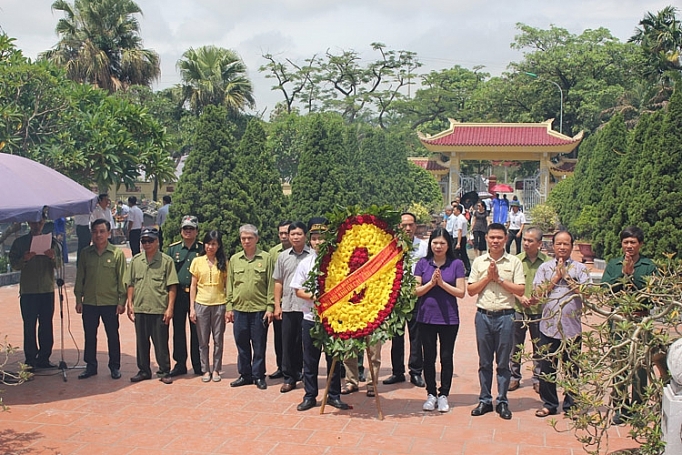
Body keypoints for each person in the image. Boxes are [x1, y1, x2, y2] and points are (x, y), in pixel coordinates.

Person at [467, 223, 525, 420]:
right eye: (492, 237)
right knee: (484, 362)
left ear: (506, 239)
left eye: (499, 237)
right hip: (483, 315)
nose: (495, 241)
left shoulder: (514, 262)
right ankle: (484, 400)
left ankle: (502, 400)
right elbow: (471, 290)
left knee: (503, 362)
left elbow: (520, 290)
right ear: (486, 238)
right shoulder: (479, 261)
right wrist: (488, 278)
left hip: (506, 316)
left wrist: (498, 279)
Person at [291, 217, 350, 411]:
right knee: (310, 359)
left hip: (333, 318)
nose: (318, 242)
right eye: (314, 238)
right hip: (311, 318)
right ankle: (310, 395)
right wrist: (317, 297)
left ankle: (333, 395)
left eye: (321, 238)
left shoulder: (338, 262)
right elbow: (297, 290)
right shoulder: (305, 263)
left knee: (334, 358)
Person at [601, 226, 658, 425]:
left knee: (641, 364)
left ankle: (637, 408)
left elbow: (654, 295)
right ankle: (621, 406)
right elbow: (606, 290)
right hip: (620, 320)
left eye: (633, 242)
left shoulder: (648, 266)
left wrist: (633, 277)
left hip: (640, 321)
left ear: (640, 244)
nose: (629, 246)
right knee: (620, 363)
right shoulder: (613, 264)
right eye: (626, 242)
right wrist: (623, 276)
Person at [533, 230, 591, 418]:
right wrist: (556, 278)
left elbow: (587, 294)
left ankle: (571, 405)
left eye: (566, 244)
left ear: (572, 246)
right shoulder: (545, 268)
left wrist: (566, 277)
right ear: (553, 246)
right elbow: (538, 295)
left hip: (572, 329)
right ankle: (549, 403)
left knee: (572, 368)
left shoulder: (580, 269)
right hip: (548, 327)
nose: (562, 247)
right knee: (547, 367)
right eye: (559, 244)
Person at [414, 228, 467, 412]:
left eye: (442, 243)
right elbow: (416, 290)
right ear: (430, 244)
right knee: (428, 357)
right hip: (426, 317)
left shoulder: (456, 264)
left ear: (448, 245)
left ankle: (444, 394)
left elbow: (461, 292)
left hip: (449, 318)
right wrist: (431, 284)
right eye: (435, 243)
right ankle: (430, 394)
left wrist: (442, 284)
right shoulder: (423, 263)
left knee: (446, 356)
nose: (438, 246)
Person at [73, 218, 127, 380]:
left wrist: (121, 301)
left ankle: (114, 366)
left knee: (112, 335)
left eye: (102, 231)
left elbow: (122, 279)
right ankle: (91, 366)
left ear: (109, 233)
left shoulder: (117, 254)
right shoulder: (85, 253)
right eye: (95, 231)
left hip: (110, 302)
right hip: (89, 301)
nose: (98, 235)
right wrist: (78, 299)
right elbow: (80, 277)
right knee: (90, 335)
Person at [126, 228, 178, 384]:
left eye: (150, 240)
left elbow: (172, 286)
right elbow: (131, 283)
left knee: (161, 343)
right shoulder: (136, 261)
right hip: (141, 307)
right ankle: (143, 370)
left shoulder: (166, 261)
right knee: (141, 342)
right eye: (144, 241)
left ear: (157, 241)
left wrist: (170, 308)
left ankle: (164, 371)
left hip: (158, 307)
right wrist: (130, 303)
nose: (146, 244)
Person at [9, 216, 60, 370]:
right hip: (29, 290)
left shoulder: (52, 242)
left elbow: (59, 264)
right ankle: (30, 359)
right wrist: (24, 259)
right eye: (33, 222)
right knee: (29, 325)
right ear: (28, 223)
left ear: (43, 223)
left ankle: (44, 358)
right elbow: (14, 265)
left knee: (46, 324)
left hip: (46, 289)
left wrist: (53, 257)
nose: (36, 225)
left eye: (39, 222)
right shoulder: (20, 243)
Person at [226, 224, 274, 390]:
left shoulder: (266, 258)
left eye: (250, 238)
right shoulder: (234, 259)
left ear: (257, 239)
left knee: (259, 345)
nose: (246, 241)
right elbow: (230, 285)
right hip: (239, 309)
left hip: (259, 309)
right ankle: (245, 375)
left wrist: (270, 307)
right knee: (242, 344)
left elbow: (271, 285)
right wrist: (229, 307)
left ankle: (259, 376)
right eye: (243, 238)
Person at [384, 212, 426, 388]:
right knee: (396, 336)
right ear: (399, 227)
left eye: (411, 225)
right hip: (397, 297)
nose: (408, 228)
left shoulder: (424, 247)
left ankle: (416, 372)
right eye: (404, 225)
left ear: (415, 226)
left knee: (417, 336)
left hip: (416, 296)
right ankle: (397, 372)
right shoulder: (391, 247)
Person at [509, 227, 550, 393]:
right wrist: (520, 297)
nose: (525, 243)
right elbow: (509, 285)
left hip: (540, 310)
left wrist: (539, 297)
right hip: (518, 309)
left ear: (539, 243)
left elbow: (551, 285)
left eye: (530, 241)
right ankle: (514, 377)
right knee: (515, 346)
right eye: (524, 239)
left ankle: (538, 378)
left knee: (539, 346)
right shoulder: (516, 260)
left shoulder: (548, 263)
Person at [273, 221, 312, 393]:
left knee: (305, 343)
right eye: (292, 234)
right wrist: (277, 305)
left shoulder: (312, 255)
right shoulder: (283, 256)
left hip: (307, 307)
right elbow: (278, 282)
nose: (295, 237)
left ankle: (304, 374)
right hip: (288, 305)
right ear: (288, 236)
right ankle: (289, 378)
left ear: (305, 235)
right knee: (288, 343)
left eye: (299, 234)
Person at [189, 230, 228, 383]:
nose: (210, 247)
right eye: (208, 243)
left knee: (218, 339)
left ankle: (217, 368)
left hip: (219, 304)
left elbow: (227, 285)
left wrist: (228, 306)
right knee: (203, 340)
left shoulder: (224, 262)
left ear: (218, 246)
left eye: (214, 244)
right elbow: (193, 286)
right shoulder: (197, 261)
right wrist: (192, 308)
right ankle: (205, 370)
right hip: (201, 304)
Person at [166, 215, 203, 376]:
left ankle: (198, 364)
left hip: (197, 294)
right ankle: (180, 363)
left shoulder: (202, 249)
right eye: (185, 228)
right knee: (178, 329)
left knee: (197, 330)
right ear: (181, 231)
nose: (188, 231)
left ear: (197, 231)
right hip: (179, 293)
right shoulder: (173, 249)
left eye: (191, 229)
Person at [267, 220, 292, 379]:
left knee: (295, 338)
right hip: (279, 302)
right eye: (281, 233)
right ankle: (281, 367)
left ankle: (296, 368)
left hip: (297, 302)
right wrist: (272, 304)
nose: (283, 236)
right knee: (279, 337)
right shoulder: (273, 253)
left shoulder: (303, 251)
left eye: (286, 233)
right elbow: (271, 280)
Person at [452, 204, 471, 275]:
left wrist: (458, 243)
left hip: (459, 238)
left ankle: (458, 268)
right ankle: (468, 269)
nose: (453, 211)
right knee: (463, 254)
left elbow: (460, 231)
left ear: (458, 210)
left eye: (454, 210)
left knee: (455, 253)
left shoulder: (460, 218)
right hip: (460, 238)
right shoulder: (460, 218)